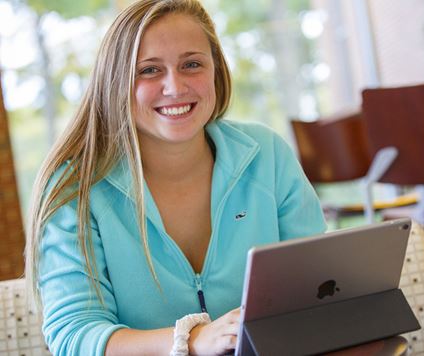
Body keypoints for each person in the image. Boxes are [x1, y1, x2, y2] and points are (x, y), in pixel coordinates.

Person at [25, 0, 326, 355]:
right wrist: (192, 340)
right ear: (116, 82)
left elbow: (318, 284)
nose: (175, 86)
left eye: (192, 64)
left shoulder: (266, 154)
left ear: (216, 69)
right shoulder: (74, 189)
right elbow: (74, 336)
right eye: (150, 70)